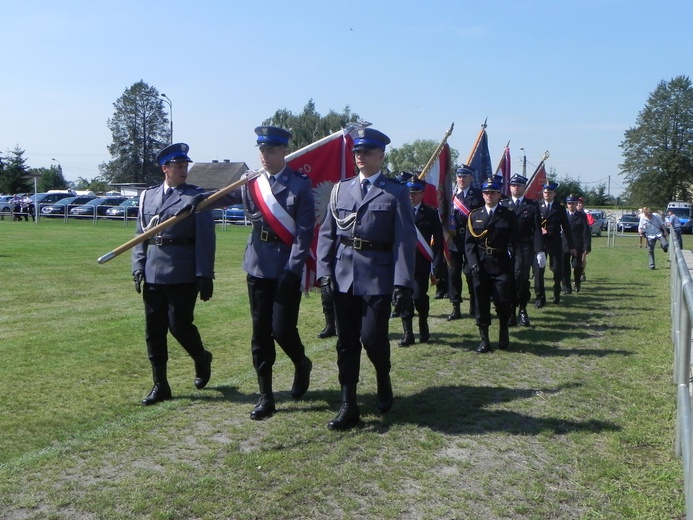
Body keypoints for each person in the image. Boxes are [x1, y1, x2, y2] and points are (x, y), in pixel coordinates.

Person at [187, 126, 316, 420]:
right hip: (257, 265)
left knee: (282, 329)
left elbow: (305, 232)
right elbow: (224, 198)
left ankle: (301, 362)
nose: (264, 156)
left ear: (283, 151)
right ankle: (265, 396)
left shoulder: (300, 186)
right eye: (261, 150)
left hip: (286, 267)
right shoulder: (251, 182)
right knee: (260, 332)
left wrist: (293, 270)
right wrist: (200, 200)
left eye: (270, 150)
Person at [316, 128, 416, 430]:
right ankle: (349, 403)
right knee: (346, 342)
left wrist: (402, 283)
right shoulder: (340, 189)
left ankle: (383, 378)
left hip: (378, 276)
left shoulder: (395, 192)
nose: (361, 157)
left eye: (368, 152)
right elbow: (327, 234)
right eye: (357, 152)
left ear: (381, 155)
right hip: (344, 275)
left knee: (372, 339)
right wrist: (324, 273)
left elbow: (404, 240)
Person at [131, 143, 216, 406]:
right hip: (153, 272)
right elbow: (140, 235)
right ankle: (160, 384)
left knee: (179, 325)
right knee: (154, 331)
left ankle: (201, 357)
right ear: (164, 168)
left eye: (185, 166)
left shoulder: (196, 197)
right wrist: (138, 266)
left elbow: (206, 238)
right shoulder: (148, 196)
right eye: (178, 166)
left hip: (183, 271)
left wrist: (205, 274)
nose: (183, 170)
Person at [465, 177, 519, 353]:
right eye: (486, 192)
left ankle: (504, 330)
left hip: (501, 263)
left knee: (502, 301)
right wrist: (473, 263)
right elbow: (470, 243)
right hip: (481, 264)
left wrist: (512, 257)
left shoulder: (508, 214)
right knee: (481, 303)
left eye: (493, 192)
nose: (489, 195)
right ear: (483, 194)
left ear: (499, 194)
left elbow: (514, 240)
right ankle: (484, 339)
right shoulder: (475, 215)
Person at [395, 173, 445, 346]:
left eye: (416, 192)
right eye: (409, 192)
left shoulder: (430, 213)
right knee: (404, 297)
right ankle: (407, 333)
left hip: (421, 262)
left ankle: (423, 322)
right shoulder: (398, 211)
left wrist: (437, 266)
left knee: (418, 296)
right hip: (401, 263)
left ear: (422, 194)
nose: (411, 195)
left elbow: (438, 242)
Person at [502, 174, 544, 327]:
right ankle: (510, 312)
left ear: (524, 187)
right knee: (508, 281)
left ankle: (522, 309)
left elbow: (537, 230)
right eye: (513, 185)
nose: (516, 188)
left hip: (524, 247)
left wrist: (539, 250)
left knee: (521, 279)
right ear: (509, 187)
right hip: (506, 248)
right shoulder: (503, 204)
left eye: (519, 185)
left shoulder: (532, 206)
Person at [447, 165, 484, 320]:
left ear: (471, 178)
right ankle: (455, 306)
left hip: (471, 240)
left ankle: (474, 304)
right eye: (459, 177)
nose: (461, 179)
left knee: (471, 273)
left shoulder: (478, 195)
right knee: (453, 275)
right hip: (454, 240)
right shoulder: (451, 194)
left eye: (464, 177)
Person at [534, 182, 576, 307]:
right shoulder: (537, 206)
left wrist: (572, 246)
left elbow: (566, 228)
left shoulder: (559, 208)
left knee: (557, 270)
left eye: (550, 192)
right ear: (543, 193)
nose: (547, 194)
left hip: (555, 243)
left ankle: (557, 291)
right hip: (540, 243)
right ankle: (540, 298)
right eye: (545, 192)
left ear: (554, 194)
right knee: (538, 271)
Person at [561, 195, 591, 293]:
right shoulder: (563, 215)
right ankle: (567, 287)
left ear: (576, 204)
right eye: (569, 204)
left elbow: (585, 232)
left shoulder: (581, 216)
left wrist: (587, 246)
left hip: (577, 244)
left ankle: (577, 282)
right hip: (565, 244)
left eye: (573, 203)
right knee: (565, 267)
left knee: (577, 265)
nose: (571, 205)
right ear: (567, 204)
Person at [576, 197, 592, 281]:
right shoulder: (571, 213)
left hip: (583, 240)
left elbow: (587, 230)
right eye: (577, 203)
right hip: (574, 241)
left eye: (580, 203)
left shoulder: (586, 214)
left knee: (582, 259)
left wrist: (587, 244)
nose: (579, 205)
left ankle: (582, 273)